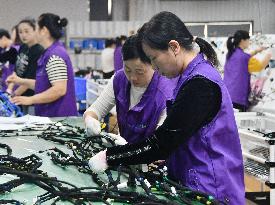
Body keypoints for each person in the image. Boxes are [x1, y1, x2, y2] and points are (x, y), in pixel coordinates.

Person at [88, 11, 245, 205]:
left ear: (174, 47)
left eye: (153, 58)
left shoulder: (200, 84)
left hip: (211, 190)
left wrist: (108, 157)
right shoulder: (189, 76)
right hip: (192, 182)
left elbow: (162, 143)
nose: (153, 67)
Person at [84, 34, 176, 145]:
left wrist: (127, 152)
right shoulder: (119, 79)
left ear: (154, 64)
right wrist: (90, 119)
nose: (133, 77)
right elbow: (95, 110)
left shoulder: (167, 93)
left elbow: (161, 144)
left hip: (152, 159)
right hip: (122, 154)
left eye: (139, 71)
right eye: (128, 69)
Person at [7, 13, 77, 117]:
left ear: (44, 31)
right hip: (50, 117)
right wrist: (20, 81)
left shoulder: (55, 55)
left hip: (59, 118)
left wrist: (30, 99)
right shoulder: (48, 53)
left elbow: (59, 89)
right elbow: (42, 84)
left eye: (36, 28)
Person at [223, 30, 271, 111]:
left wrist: (257, 51)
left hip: (227, 96)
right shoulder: (245, 58)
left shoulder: (231, 54)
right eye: (249, 40)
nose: (249, 42)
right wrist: (269, 55)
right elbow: (260, 66)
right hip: (239, 98)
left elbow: (245, 57)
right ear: (243, 41)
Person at [6, 18, 44, 114]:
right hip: (20, 98)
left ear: (35, 30)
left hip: (32, 99)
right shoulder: (23, 47)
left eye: (27, 31)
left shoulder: (39, 51)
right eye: (20, 32)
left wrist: (13, 95)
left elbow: (30, 79)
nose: (23, 35)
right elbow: (16, 70)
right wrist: (9, 90)